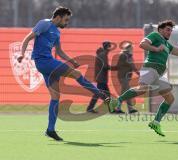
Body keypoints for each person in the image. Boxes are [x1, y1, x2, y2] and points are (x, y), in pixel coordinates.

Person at [17, 6, 109, 141]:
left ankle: (50, 130)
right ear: (58, 17)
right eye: (66, 20)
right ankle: (99, 94)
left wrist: (72, 61)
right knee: (77, 74)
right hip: (44, 62)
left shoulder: (57, 32)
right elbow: (28, 38)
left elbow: (59, 52)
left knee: (55, 97)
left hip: (48, 64)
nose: (67, 23)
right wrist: (21, 54)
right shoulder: (44, 24)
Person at [110, 20, 178, 136]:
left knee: (170, 99)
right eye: (167, 29)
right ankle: (117, 101)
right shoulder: (155, 35)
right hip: (150, 68)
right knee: (142, 88)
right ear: (160, 30)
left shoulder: (167, 45)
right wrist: (156, 49)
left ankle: (156, 122)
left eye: (171, 30)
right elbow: (142, 44)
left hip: (159, 74)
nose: (169, 32)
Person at [86, 41, 117, 113]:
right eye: (110, 46)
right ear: (107, 47)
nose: (111, 48)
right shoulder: (103, 55)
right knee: (100, 94)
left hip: (101, 78)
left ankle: (90, 108)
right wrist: (116, 68)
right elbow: (105, 66)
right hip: (101, 78)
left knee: (100, 94)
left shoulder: (102, 54)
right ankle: (90, 108)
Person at [115, 42, 139, 114]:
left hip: (123, 76)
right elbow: (132, 65)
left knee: (125, 93)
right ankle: (119, 108)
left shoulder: (123, 55)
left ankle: (128, 108)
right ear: (129, 48)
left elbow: (118, 66)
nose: (132, 49)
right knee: (127, 93)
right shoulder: (126, 55)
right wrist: (138, 73)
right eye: (132, 48)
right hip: (124, 76)